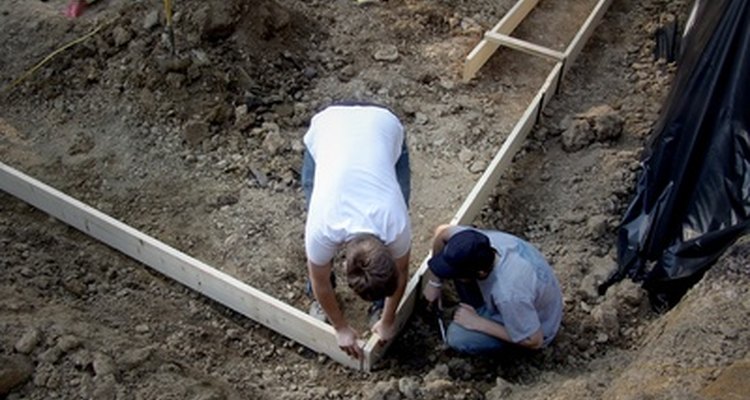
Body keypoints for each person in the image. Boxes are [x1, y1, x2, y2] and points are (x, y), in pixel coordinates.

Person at [302, 102, 411, 360]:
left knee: (399, 194)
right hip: (328, 127)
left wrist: (388, 320)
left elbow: (403, 271)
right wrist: (340, 328)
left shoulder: (395, 223)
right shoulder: (322, 227)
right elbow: (319, 278)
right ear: (342, 263)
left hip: (383, 126)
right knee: (316, 267)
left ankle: (378, 304)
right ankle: (321, 304)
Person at [423, 224, 563, 355]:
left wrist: (478, 323)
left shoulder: (508, 294)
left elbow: (534, 340)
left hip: (537, 327)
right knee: (460, 271)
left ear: (481, 273)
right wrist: (435, 281)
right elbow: (442, 232)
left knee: (457, 336)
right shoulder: (476, 244)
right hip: (524, 297)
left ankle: (483, 317)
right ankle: (478, 308)